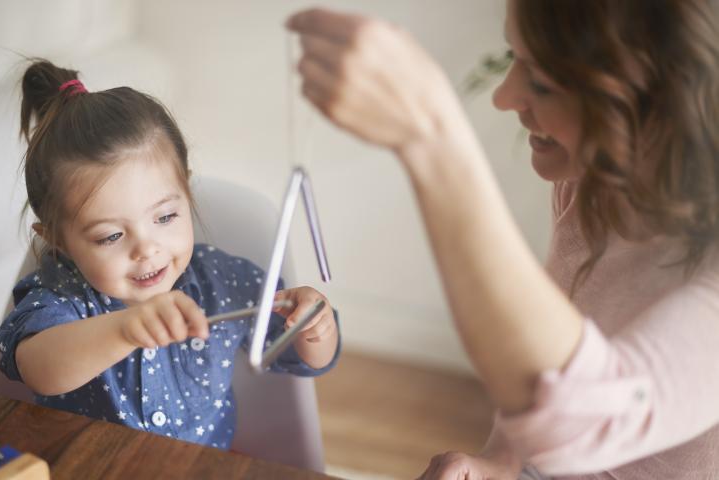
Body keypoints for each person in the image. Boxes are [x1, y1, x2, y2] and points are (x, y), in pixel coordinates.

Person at [287, 1, 719, 478]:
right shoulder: (593, 182)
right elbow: (552, 355)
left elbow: (588, 419)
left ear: (654, 100)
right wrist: (499, 461)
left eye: (541, 81)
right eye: (513, 56)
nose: (505, 95)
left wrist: (432, 136)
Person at [0, 60, 340, 450]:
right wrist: (125, 329)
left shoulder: (224, 282)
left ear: (187, 193)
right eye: (111, 236)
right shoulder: (59, 295)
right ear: (57, 240)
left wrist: (313, 326)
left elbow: (304, 356)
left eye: (166, 216)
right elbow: (40, 368)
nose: (146, 248)